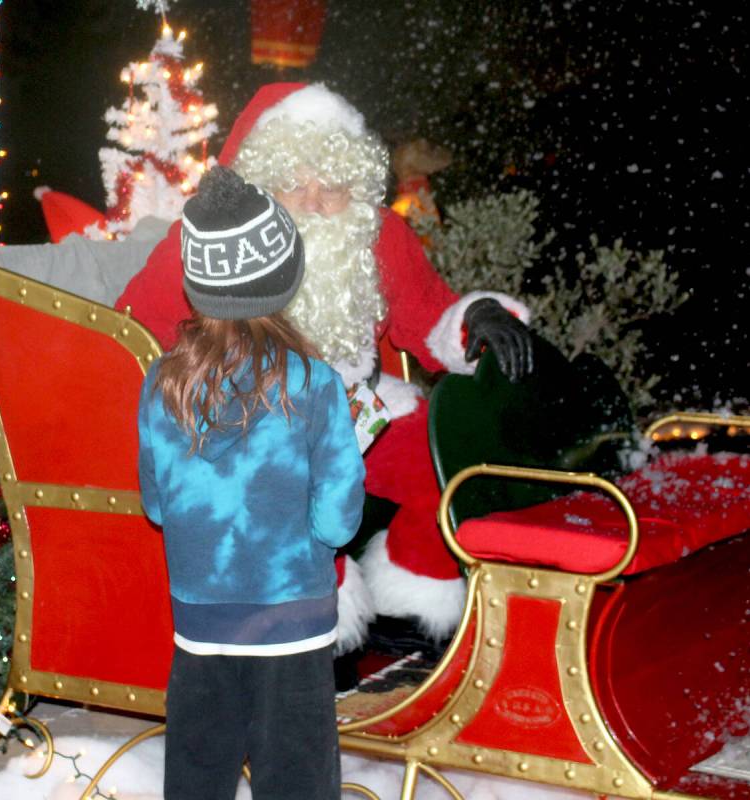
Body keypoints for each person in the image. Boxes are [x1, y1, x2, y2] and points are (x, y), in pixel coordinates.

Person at [121, 82, 533, 654]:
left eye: (332, 187)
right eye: (294, 185)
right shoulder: (210, 241)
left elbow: (429, 313)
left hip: (361, 404)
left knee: (453, 465)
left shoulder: (378, 234)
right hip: (256, 414)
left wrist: (481, 315)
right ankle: (311, 633)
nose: (314, 203)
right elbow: (132, 329)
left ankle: (411, 601)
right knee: (295, 489)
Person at [137, 166, 365, 800]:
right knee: (296, 773)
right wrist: (310, 543)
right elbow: (340, 517)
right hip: (292, 616)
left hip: (202, 618)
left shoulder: (162, 384)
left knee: (197, 767)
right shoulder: (314, 383)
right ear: (283, 278)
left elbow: (157, 504)